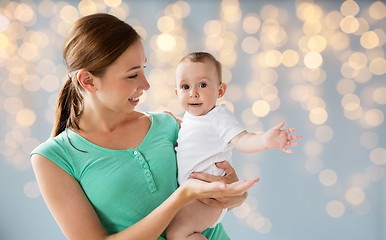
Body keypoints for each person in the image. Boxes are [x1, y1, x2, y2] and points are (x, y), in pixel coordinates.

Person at [30, 14, 259, 240]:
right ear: (88, 81)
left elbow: (225, 190)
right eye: (132, 75)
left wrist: (237, 196)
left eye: (143, 70)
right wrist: (181, 196)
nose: (146, 84)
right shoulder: (52, 159)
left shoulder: (167, 125)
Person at [166, 52, 302, 240]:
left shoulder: (219, 117)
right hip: (194, 195)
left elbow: (242, 139)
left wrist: (264, 140)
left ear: (220, 91)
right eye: (185, 86)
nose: (193, 93)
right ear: (177, 92)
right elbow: (195, 134)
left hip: (209, 198)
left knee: (177, 233)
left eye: (202, 85)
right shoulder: (191, 118)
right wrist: (172, 120)